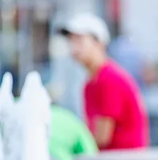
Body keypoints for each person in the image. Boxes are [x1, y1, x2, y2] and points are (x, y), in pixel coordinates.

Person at [58, 13, 150, 151]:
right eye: (71, 41)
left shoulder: (109, 79)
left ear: (98, 43)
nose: (73, 48)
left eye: (79, 40)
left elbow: (102, 137)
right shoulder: (91, 82)